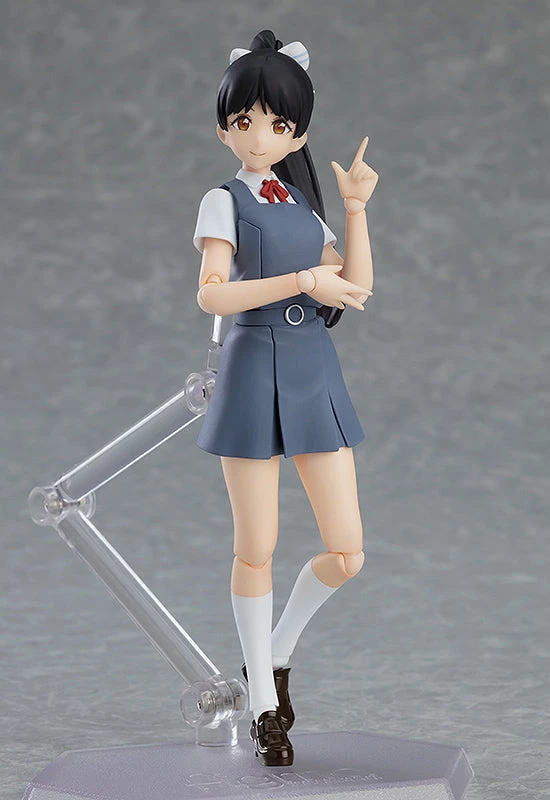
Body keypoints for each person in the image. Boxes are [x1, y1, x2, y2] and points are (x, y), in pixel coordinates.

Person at [193, 29, 378, 766]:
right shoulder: (222, 201)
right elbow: (212, 294)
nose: (258, 135)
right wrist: (300, 281)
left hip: (311, 370)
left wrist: (356, 210)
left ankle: (272, 654)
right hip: (250, 369)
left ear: (297, 132)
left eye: (275, 123)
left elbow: (353, 287)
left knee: (347, 550)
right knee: (257, 546)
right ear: (225, 128)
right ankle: (264, 706)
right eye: (243, 121)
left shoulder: (300, 202)